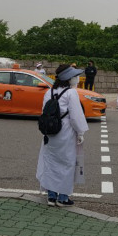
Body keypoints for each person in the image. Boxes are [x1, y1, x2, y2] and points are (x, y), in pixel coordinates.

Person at [36, 64, 88, 207]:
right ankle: (63, 198)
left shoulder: (49, 92)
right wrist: (81, 132)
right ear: (68, 78)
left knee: (51, 162)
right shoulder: (71, 93)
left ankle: (51, 196)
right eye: (75, 76)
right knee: (67, 163)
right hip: (66, 131)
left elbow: (44, 111)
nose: (77, 79)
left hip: (51, 132)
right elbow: (75, 116)